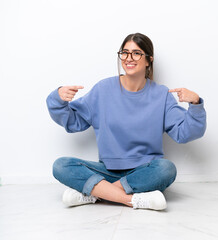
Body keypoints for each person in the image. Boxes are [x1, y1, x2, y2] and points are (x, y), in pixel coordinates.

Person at [46, 33, 206, 211]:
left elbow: (184, 133)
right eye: (125, 53)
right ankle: (132, 200)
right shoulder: (103, 89)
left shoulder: (161, 95)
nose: (129, 58)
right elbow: (74, 122)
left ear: (148, 60)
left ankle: (95, 194)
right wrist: (57, 100)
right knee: (61, 165)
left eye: (136, 53)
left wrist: (195, 104)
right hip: (106, 171)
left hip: (144, 172)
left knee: (166, 169)